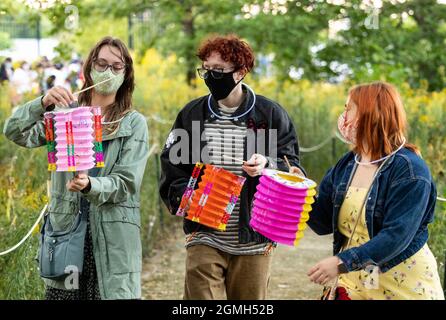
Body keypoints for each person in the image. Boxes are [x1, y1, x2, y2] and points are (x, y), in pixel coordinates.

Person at [160, 34, 305, 300]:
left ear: (240, 72)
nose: (209, 76)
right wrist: (191, 201)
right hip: (204, 235)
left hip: (254, 237)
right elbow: (172, 169)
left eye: (218, 70)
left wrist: (268, 165)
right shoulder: (192, 115)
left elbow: (294, 169)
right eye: (206, 69)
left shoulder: (270, 114)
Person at [3, 36, 149, 300]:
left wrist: (91, 185)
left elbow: (127, 183)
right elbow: (15, 132)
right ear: (89, 67)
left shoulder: (133, 123)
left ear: (126, 73)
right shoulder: (63, 115)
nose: (108, 71)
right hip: (67, 233)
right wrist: (42, 103)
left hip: (112, 238)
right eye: (101, 63)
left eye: (117, 66)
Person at [291, 81, 444, 300]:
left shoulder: (410, 170)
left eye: (348, 109)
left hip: (402, 284)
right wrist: (300, 190)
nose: (342, 117)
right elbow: (322, 222)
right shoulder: (348, 164)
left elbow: (396, 235)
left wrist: (341, 262)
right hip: (354, 282)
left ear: (369, 115)